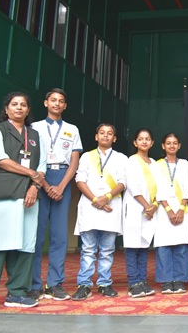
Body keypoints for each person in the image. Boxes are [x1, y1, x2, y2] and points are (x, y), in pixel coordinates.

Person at [0, 93, 48, 313]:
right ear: (6, 109)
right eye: (14, 104)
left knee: (25, 245)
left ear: (28, 110)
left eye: (23, 105)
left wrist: (35, 187)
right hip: (1, 195)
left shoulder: (34, 135)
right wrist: (31, 173)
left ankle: (17, 293)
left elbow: (42, 164)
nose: (19, 108)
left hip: (28, 196)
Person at [30, 88, 82, 301]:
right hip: (38, 176)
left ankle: (54, 283)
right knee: (36, 234)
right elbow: (30, 157)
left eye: (61, 101)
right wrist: (42, 183)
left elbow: (74, 161)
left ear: (65, 106)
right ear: (46, 103)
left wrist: (61, 186)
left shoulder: (72, 129)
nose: (57, 104)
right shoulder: (34, 127)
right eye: (53, 100)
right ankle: (34, 284)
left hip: (63, 176)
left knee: (59, 235)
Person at [71, 123, 127, 300]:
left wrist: (107, 197)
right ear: (96, 136)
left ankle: (104, 283)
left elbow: (123, 182)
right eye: (102, 133)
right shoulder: (87, 157)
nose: (105, 136)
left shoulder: (121, 158)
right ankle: (84, 284)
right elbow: (80, 180)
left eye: (109, 133)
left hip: (111, 207)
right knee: (88, 249)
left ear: (114, 138)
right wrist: (96, 199)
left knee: (107, 250)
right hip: (90, 206)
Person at [123, 128, 159, 298]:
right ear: (135, 142)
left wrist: (154, 205)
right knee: (132, 246)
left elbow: (160, 186)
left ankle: (142, 280)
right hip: (135, 208)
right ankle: (133, 283)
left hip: (150, 209)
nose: (144, 141)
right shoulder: (132, 161)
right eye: (141, 139)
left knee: (144, 246)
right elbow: (133, 186)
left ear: (152, 143)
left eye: (147, 139)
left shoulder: (154, 163)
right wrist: (147, 206)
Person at [154, 133, 188, 294]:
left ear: (179, 146)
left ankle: (180, 280)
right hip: (163, 209)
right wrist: (168, 210)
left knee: (181, 245)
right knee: (164, 245)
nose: (172, 146)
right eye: (168, 143)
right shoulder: (157, 165)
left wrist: (181, 209)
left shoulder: (184, 164)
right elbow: (157, 188)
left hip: (182, 207)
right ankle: (166, 280)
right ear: (163, 146)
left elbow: (187, 187)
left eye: (175, 143)